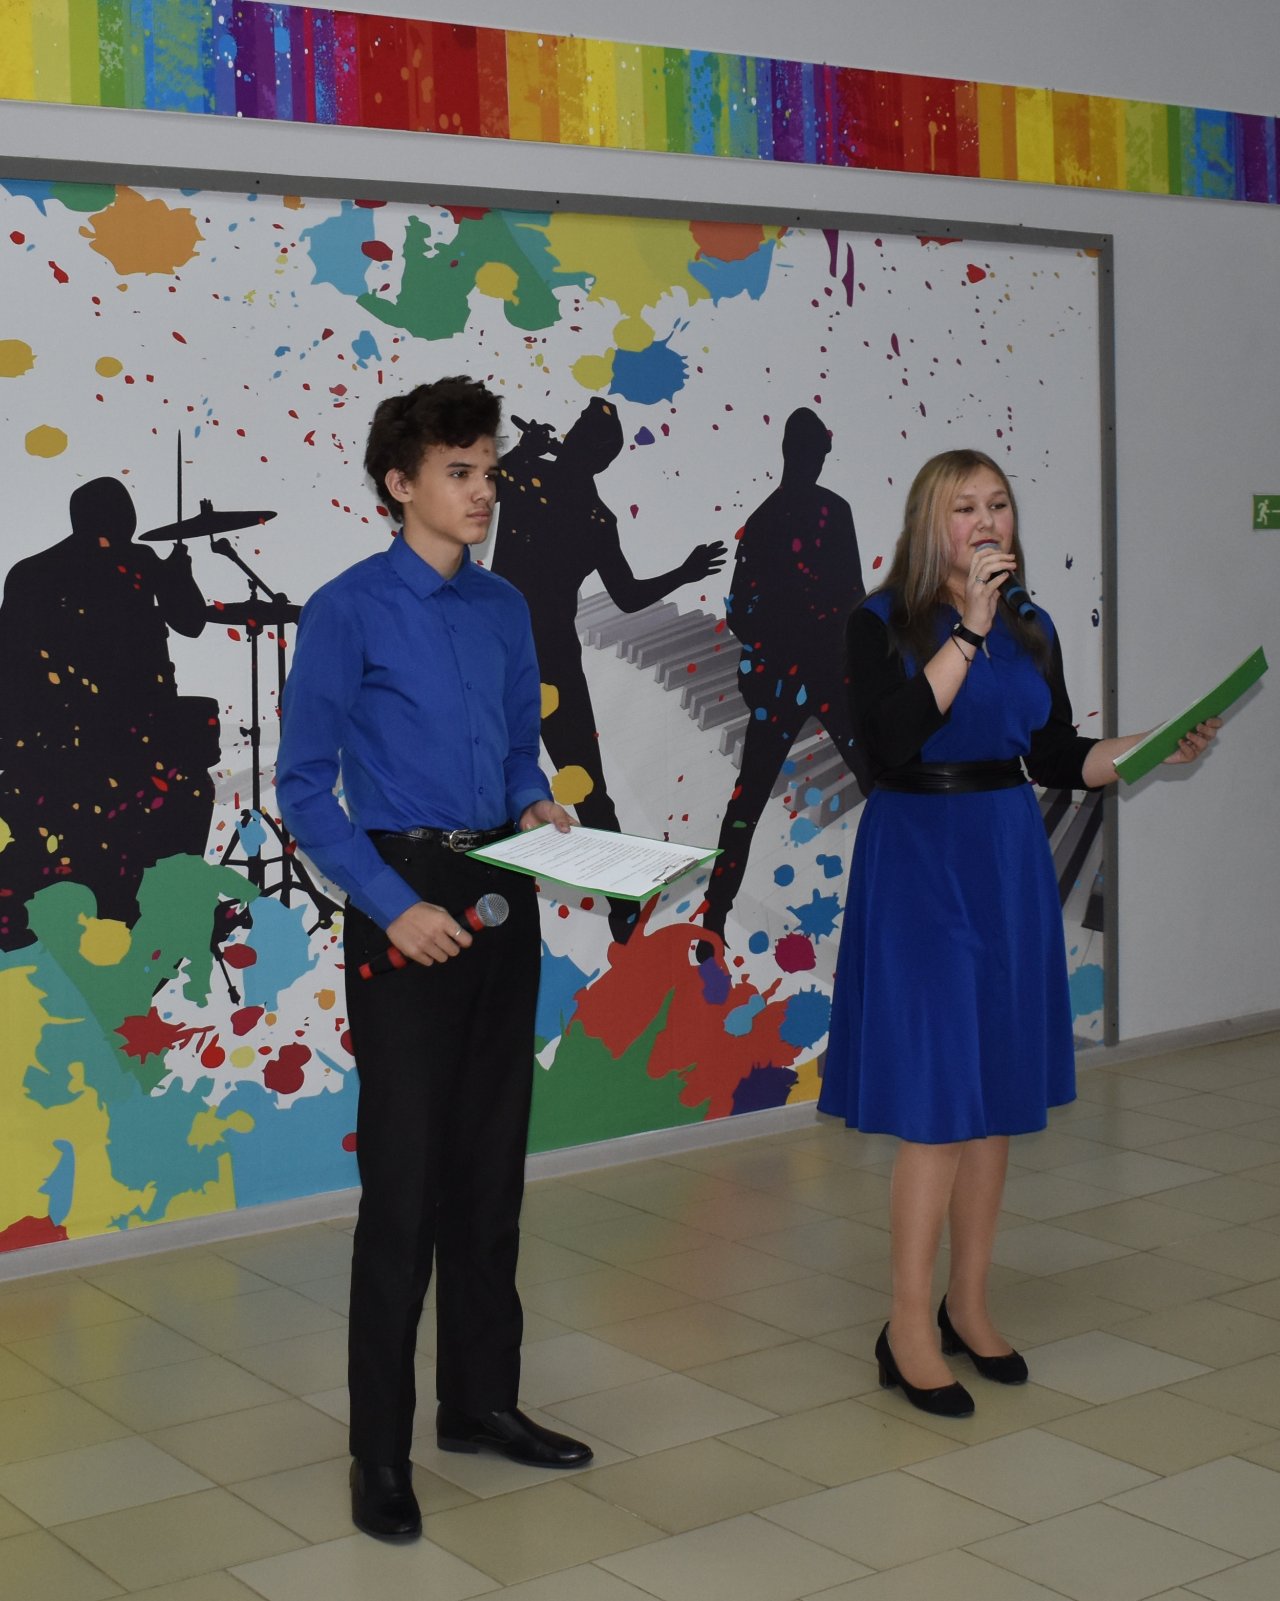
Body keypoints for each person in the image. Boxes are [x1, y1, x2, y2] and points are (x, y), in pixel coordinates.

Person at [819, 449, 1219, 1418]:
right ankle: (906, 1327)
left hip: (1003, 855)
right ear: (929, 524)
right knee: (937, 1105)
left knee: (992, 1095)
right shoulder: (880, 621)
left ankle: (967, 1303)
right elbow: (889, 743)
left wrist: (1154, 745)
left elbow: (1055, 755)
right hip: (918, 859)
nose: (987, 521)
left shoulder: (1031, 625)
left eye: (998, 503)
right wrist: (966, 627)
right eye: (965, 507)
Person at [275, 377, 592, 1542]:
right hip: (399, 895)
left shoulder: (504, 606)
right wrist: (392, 904)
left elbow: (514, 751)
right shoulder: (347, 608)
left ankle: (480, 1403)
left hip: (502, 888)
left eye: (487, 469)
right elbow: (303, 786)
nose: (482, 490)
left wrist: (535, 802)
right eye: (459, 471)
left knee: (490, 1170)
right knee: (404, 1189)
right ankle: (379, 1452)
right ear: (400, 483)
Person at [492, 398, 724, 942]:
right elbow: (478, 484)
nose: (574, 440)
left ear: (597, 455)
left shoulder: (571, 500)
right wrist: (521, 454)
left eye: (586, 437)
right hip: (512, 649)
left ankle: (622, 895)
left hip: (526, 652)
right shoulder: (565, 496)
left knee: (583, 782)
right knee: (563, 781)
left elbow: (625, 594)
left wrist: (683, 573)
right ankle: (620, 898)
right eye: (579, 431)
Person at [0, 477, 217, 947]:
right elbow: (191, 621)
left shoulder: (29, 572)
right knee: (187, 792)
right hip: (128, 735)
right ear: (123, 519)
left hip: (46, 739)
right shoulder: (138, 562)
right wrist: (179, 574)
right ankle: (155, 909)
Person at [702, 407, 868, 948]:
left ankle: (714, 916)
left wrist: (769, 651)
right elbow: (853, 599)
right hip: (823, 673)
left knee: (748, 800)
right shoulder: (831, 511)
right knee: (876, 783)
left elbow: (739, 610)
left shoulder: (765, 519)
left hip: (785, 678)